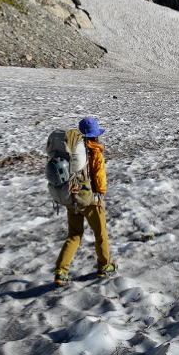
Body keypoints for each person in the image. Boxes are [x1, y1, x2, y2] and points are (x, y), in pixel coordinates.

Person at [54, 117, 116, 285]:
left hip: (71, 198)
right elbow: (99, 177)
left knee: (74, 235)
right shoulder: (94, 151)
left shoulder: (71, 150)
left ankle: (61, 271)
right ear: (95, 135)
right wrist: (101, 195)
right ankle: (105, 266)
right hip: (91, 200)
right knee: (100, 234)